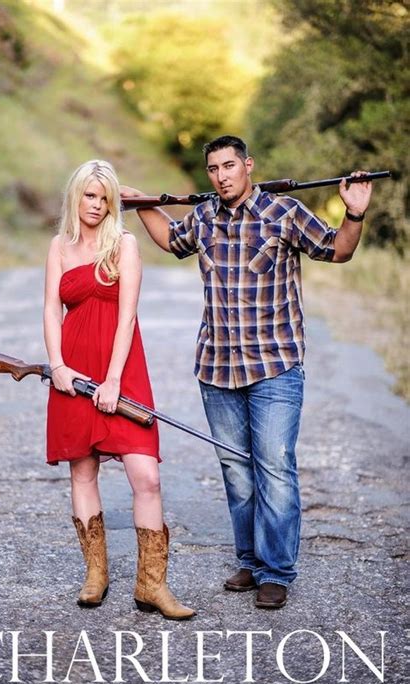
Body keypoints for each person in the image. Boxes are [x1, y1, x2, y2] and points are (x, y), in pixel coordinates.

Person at [121, 135, 372, 609]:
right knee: (237, 471)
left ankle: (276, 570)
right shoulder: (203, 216)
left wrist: (354, 212)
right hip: (216, 368)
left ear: (248, 166)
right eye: (213, 168)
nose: (221, 175)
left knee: (274, 467)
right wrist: (141, 203)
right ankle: (252, 562)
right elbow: (172, 240)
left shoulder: (283, 212)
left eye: (229, 165)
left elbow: (338, 250)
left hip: (275, 366)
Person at [43, 159, 195, 620]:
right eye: (89, 195)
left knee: (146, 475)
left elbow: (126, 317)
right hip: (72, 374)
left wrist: (111, 379)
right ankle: (96, 575)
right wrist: (57, 366)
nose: (96, 204)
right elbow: (52, 310)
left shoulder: (124, 245)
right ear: (76, 196)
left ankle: (152, 585)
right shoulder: (59, 247)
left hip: (121, 371)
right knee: (82, 473)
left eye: (105, 197)